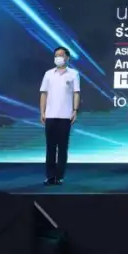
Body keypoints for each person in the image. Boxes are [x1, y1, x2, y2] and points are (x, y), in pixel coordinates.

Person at [40, 46, 80, 185]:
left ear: (67, 57)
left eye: (61, 55)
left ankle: (59, 176)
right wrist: (42, 112)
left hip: (65, 116)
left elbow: (76, 93)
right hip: (50, 115)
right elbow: (43, 93)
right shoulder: (48, 74)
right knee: (50, 147)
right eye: (56, 55)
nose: (58, 58)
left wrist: (75, 110)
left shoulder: (73, 74)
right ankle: (50, 176)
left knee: (62, 148)